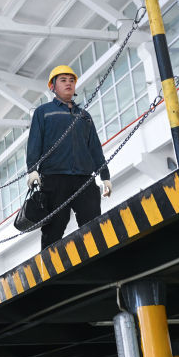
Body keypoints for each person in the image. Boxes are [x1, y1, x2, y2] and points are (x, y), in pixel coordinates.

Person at [25, 65, 112, 249]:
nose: (68, 84)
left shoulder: (84, 116)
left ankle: (96, 258)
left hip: (84, 178)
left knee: (93, 224)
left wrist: (105, 176)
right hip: (54, 178)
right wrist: (32, 170)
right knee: (54, 228)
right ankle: (48, 263)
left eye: (71, 80)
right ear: (53, 86)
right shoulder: (43, 112)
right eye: (63, 80)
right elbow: (34, 142)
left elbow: (95, 148)